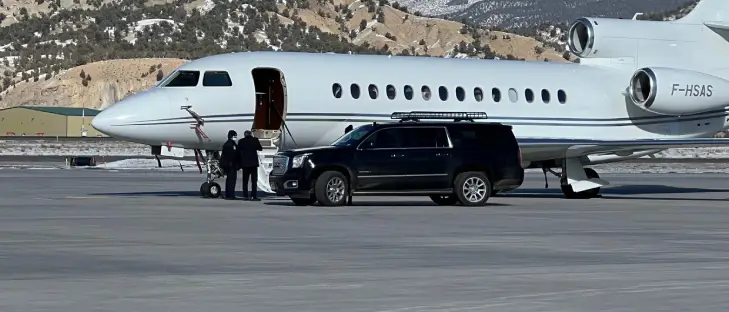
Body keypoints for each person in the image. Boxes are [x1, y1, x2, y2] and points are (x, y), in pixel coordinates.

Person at [238, 129, 263, 200]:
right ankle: (253, 195)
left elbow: (239, 151)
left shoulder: (241, 141)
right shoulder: (255, 140)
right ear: (251, 134)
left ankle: (245, 195)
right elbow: (260, 148)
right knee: (254, 181)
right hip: (253, 164)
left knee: (245, 181)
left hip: (245, 164)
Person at [219, 130, 239, 200]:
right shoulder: (231, 144)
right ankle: (231, 195)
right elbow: (233, 155)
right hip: (231, 165)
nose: (235, 138)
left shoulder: (227, 144)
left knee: (229, 180)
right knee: (232, 180)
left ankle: (228, 194)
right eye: (234, 136)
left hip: (228, 165)